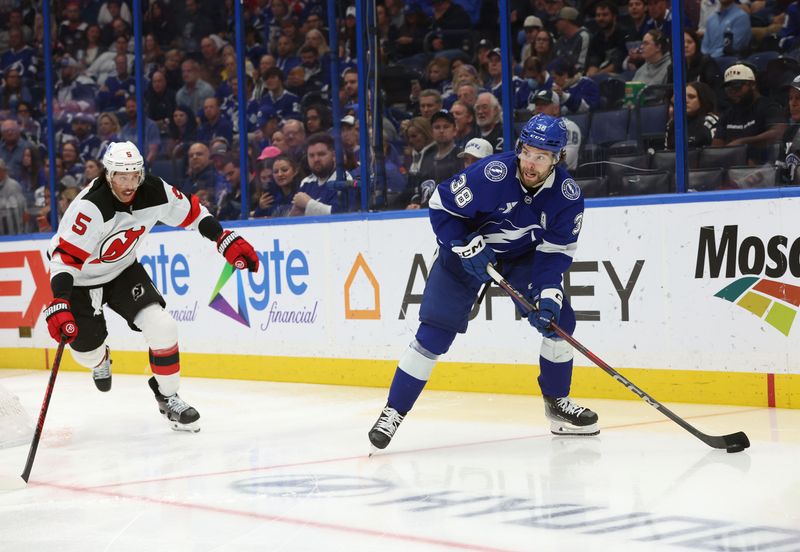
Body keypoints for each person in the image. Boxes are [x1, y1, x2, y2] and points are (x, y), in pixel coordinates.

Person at [367, 113, 598, 452]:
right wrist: (464, 245)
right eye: (527, 152)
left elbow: (556, 250)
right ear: (519, 148)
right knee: (433, 334)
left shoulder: (567, 195)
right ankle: (393, 411)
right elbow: (440, 206)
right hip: (463, 252)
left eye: (542, 156)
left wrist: (548, 292)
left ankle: (558, 405)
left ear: (557, 159)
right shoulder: (491, 174)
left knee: (559, 322)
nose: (531, 163)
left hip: (521, 258)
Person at [43, 141, 259, 432]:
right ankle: (100, 358)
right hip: (79, 279)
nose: (129, 183)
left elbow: (194, 213)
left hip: (122, 270)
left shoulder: (154, 190)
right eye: (122, 176)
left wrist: (223, 239)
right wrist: (60, 301)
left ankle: (168, 398)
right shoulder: (91, 207)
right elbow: (64, 260)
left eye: (134, 175)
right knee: (87, 352)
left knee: (163, 326)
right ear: (108, 175)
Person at [712, 64, 785, 164]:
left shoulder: (768, 107)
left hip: (764, 167)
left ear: (753, 85)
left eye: (737, 87)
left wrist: (743, 142)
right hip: (733, 169)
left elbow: (779, 133)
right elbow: (716, 150)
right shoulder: (727, 115)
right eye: (728, 89)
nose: (733, 92)